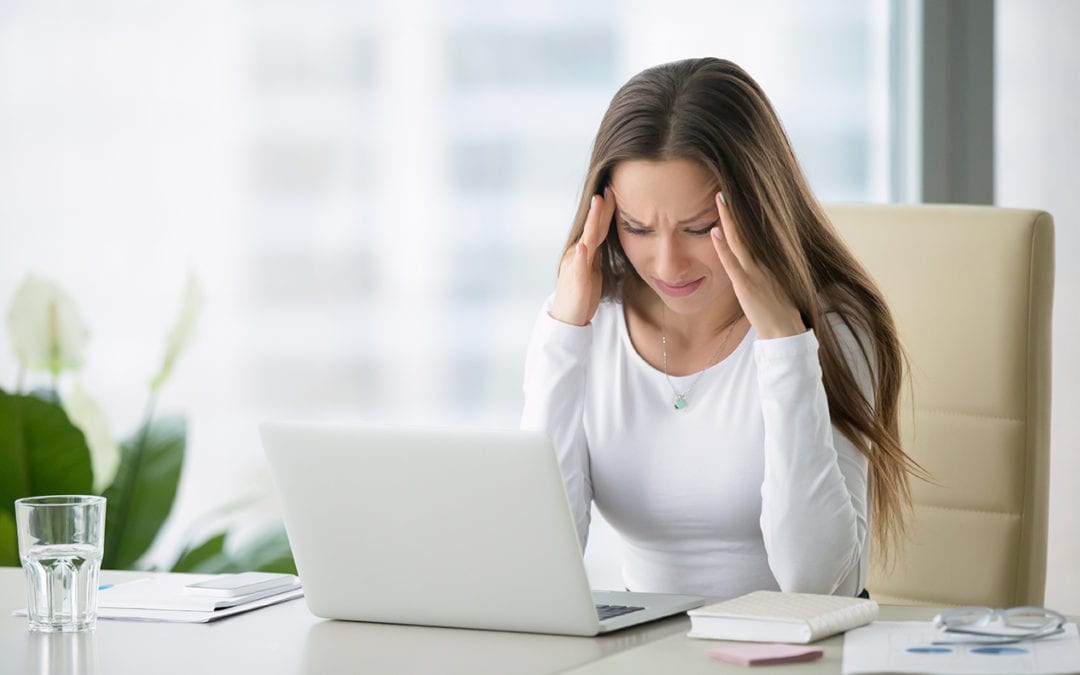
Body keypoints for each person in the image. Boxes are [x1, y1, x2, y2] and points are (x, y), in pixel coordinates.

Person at [521, 57, 923, 599]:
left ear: (756, 209)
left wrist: (785, 347)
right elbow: (541, 561)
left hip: (794, 653)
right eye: (637, 228)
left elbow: (820, 583)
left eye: (699, 228)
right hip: (647, 653)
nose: (666, 265)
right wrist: (565, 334)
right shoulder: (587, 318)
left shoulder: (831, 326)